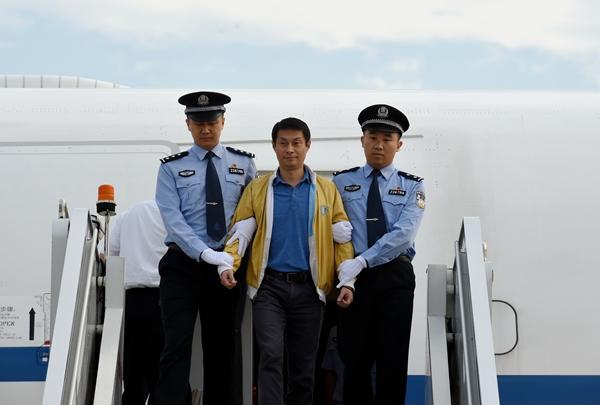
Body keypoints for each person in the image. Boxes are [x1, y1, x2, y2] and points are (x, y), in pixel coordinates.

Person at [218, 117, 355, 405]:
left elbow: (342, 238)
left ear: (307, 145)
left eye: (296, 143)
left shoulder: (327, 190)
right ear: (274, 146)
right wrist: (228, 264)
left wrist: (347, 281)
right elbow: (240, 233)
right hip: (269, 288)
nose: (289, 149)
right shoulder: (257, 188)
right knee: (271, 355)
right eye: (283, 143)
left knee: (303, 366)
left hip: (310, 289)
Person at [153, 91, 257, 405]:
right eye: (199, 123)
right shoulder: (171, 168)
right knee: (175, 344)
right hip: (182, 265)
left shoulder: (244, 163)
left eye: (212, 122)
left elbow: (250, 214)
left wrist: (229, 256)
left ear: (223, 122)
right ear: (188, 124)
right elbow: (173, 220)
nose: (206, 129)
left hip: (227, 265)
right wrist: (204, 253)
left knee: (224, 346)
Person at [332, 104, 426, 405]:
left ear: (399, 144)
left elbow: (403, 235)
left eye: (387, 138)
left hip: (394, 275)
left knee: (392, 358)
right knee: (353, 357)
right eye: (373, 137)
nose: (379, 144)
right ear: (362, 140)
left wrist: (364, 260)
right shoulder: (340, 182)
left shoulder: (412, 186)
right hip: (353, 280)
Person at [106, 199, 167, 405]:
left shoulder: (126, 216)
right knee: (162, 371)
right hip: (162, 299)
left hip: (131, 300)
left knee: (134, 372)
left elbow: (111, 255)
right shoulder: (171, 215)